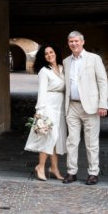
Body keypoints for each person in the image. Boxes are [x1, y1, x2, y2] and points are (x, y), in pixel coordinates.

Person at [62, 30, 108, 185]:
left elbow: (102, 82)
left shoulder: (94, 59)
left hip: (91, 107)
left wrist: (103, 104)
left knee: (91, 142)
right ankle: (71, 172)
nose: (74, 44)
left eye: (76, 41)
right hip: (72, 106)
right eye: (71, 42)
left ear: (82, 42)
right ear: (68, 44)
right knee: (72, 141)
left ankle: (93, 173)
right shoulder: (66, 61)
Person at [24, 44, 67, 181]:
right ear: (44, 58)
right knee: (49, 136)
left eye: (51, 52)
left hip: (59, 107)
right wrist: (39, 112)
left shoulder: (62, 68)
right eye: (46, 54)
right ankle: (40, 166)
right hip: (48, 107)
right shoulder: (44, 71)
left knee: (55, 139)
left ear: (55, 53)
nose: (49, 55)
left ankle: (54, 168)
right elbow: (41, 92)